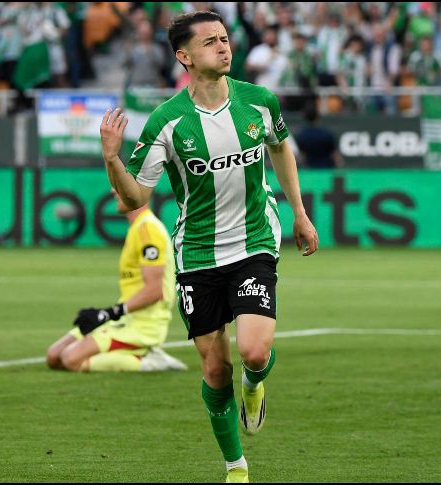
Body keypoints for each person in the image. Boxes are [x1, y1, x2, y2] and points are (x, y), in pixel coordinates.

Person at [98, 11, 318, 483]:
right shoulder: (167, 121)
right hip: (197, 252)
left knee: (253, 352)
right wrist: (112, 158)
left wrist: (299, 213)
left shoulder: (259, 102)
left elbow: (281, 148)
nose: (223, 47)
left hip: (254, 240)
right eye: (210, 42)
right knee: (215, 370)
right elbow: (133, 199)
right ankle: (236, 467)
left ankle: (254, 384)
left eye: (224, 38)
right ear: (185, 57)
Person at [46, 190, 186, 372]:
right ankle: (132, 353)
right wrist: (112, 313)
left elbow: (154, 291)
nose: (114, 190)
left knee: (71, 359)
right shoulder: (138, 227)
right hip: (125, 317)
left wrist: (110, 312)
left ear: (140, 191)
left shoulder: (148, 230)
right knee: (54, 356)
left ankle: (149, 360)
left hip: (145, 324)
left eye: (121, 185)